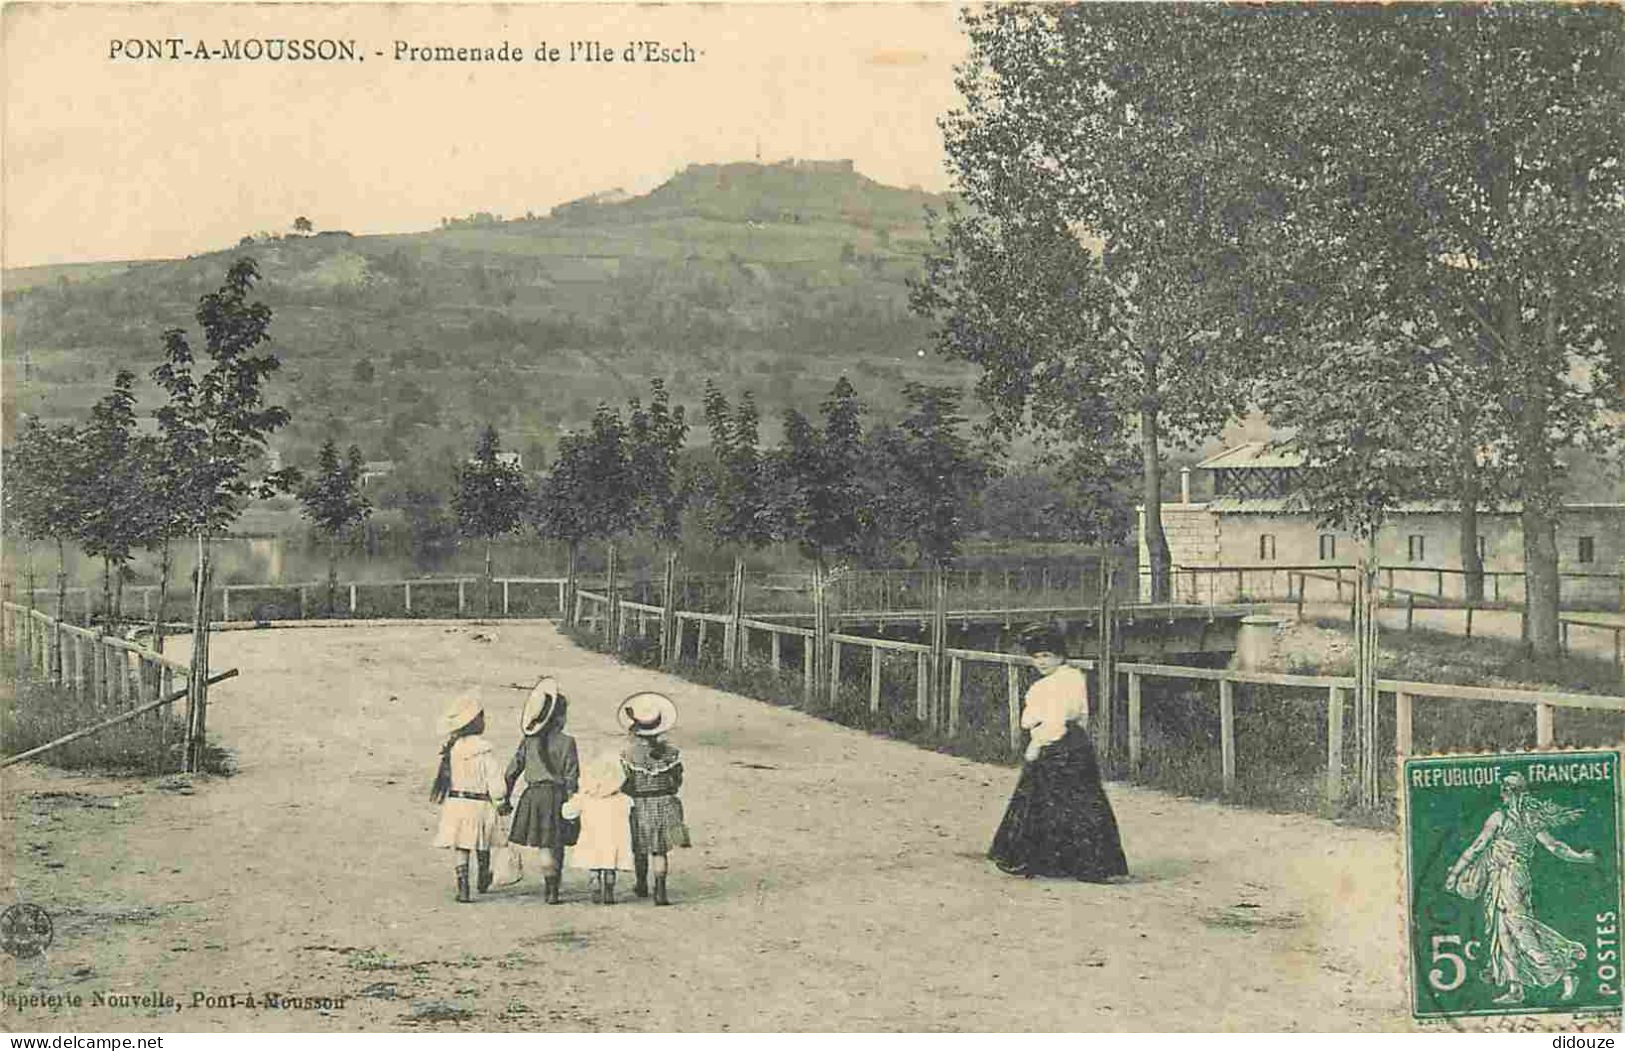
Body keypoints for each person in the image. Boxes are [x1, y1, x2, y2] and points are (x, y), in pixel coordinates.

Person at [988, 623, 1128, 882]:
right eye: (1037, 657)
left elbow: (1058, 719)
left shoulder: (1065, 681)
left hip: (1062, 744)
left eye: (1047, 656)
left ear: (1060, 656)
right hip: (1064, 742)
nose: (1041, 662)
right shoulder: (1055, 681)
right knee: (1048, 802)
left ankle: (1090, 864)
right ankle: (1053, 861)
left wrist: (1037, 745)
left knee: (1073, 802)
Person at [1445, 772, 1595, 1004]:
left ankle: (1565, 974)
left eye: (1504, 790)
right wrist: (1580, 857)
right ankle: (1516, 988)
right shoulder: (1530, 818)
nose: (1502, 794)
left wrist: (1455, 873)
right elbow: (1556, 847)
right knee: (1502, 932)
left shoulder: (1500, 817)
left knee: (1520, 931)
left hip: (1511, 879)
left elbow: (1477, 847)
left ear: (1508, 792)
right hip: (1504, 878)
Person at [503, 677, 580, 904]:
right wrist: (572, 801)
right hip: (558, 796)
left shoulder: (529, 741)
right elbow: (572, 776)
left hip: (534, 797)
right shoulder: (568, 742)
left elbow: (512, 771)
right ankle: (554, 886)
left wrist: (505, 797)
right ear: (558, 719)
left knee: (545, 845)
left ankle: (550, 889)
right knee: (558, 842)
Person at [431, 695, 507, 903]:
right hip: (480, 803)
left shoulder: (452, 750)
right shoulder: (485, 751)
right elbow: (495, 781)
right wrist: (500, 800)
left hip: (457, 803)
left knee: (461, 845)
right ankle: (483, 875)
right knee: (482, 841)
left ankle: (462, 886)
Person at [618, 691, 691, 905]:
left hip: (641, 804)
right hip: (666, 803)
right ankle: (661, 890)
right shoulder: (671, 753)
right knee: (660, 850)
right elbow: (677, 780)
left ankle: (641, 884)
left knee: (640, 848)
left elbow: (626, 781)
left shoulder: (629, 754)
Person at [561, 753, 636, 905]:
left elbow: (567, 813)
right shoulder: (623, 799)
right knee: (610, 866)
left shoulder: (585, 797)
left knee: (594, 864)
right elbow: (632, 810)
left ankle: (594, 883)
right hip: (614, 839)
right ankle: (609, 890)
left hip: (592, 838)